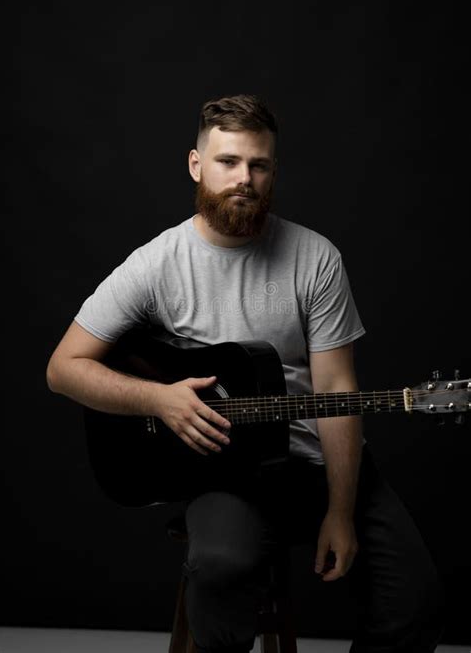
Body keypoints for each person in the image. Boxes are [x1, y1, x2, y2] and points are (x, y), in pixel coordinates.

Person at [46, 94, 444, 652]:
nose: (244, 179)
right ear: (196, 165)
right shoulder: (157, 264)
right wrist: (158, 400)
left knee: (413, 598)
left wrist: (339, 509)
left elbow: (335, 388)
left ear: (273, 171)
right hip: (226, 468)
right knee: (221, 568)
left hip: (314, 455)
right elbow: (63, 369)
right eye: (228, 162)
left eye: (258, 165)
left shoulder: (315, 257)